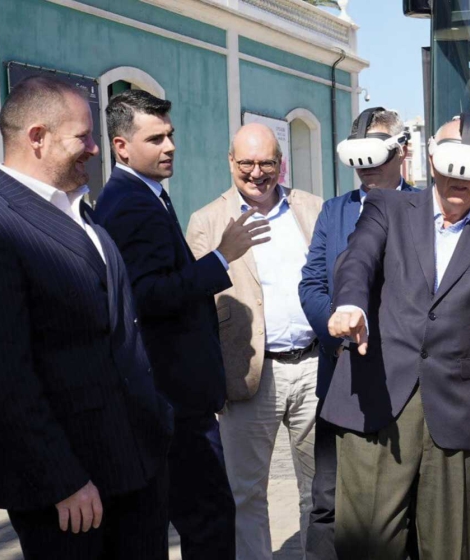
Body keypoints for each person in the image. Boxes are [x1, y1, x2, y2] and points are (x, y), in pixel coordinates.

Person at [0, 76, 173, 559]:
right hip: (69, 490)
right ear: (37, 137)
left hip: (133, 468)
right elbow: (4, 378)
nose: (94, 148)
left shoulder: (82, 212)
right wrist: (63, 479)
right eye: (82, 137)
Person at [324, 114, 470, 560]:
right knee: (368, 543)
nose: (459, 181)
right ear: (431, 160)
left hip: (452, 408)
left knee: (447, 547)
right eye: (451, 166)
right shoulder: (387, 207)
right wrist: (351, 304)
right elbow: (357, 259)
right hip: (377, 396)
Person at [94, 90, 269, 560]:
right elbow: (147, 295)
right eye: (155, 138)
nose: (169, 146)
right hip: (172, 401)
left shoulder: (144, 194)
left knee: (205, 519)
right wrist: (220, 257)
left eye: (170, 135)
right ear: (121, 146)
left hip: (175, 398)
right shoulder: (131, 203)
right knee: (210, 522)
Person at [186, 123, 323, 559]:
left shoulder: (313, 209)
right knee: (245, 496)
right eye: (246, 162)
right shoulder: (206, 221)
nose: (257, 172)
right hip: (246, 376)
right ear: (231, 162)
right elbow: (193, 304)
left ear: (281, 163)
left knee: (321, 490)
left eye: (267, 162)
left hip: (315, 366)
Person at [297, 107, 417, 560]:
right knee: (328, 499)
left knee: (402, 501)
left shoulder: (426, 210)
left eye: (376, 161)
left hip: (406, 384)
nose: (366, 173)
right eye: (358, 163)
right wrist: (340, 333)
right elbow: (311, 284)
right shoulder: (335, 213)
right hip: (341, 377)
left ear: (402, 152)